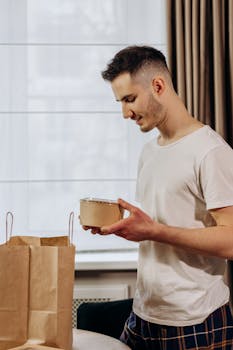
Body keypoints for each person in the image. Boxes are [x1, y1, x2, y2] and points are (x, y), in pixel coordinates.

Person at [83, 46, 233, 349]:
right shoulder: (150, 151)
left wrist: (154, 231)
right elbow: (161, 224)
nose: (125, 113)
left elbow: (230, 241)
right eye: (121, 102)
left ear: (158, 86)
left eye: (129, 99)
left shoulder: (211, 151)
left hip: (195, 319)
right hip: (144, 315)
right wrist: (127, 227)